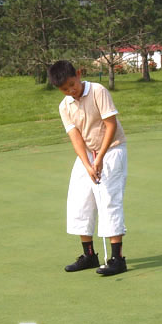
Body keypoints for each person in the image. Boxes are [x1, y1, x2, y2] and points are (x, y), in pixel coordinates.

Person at [47, 60, 128, 276]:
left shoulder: (98, 91)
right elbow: (75, 137)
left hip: (112, 150)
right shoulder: (65, 106)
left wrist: (99, 158)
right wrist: (87, 164)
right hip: (88, 156)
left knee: (109, 200)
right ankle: (89, 255)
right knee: (79, 200)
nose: (70, 91)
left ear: (79, 74)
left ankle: (118, 259)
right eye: (64, 89)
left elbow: (111, 125)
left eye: (72, 85)